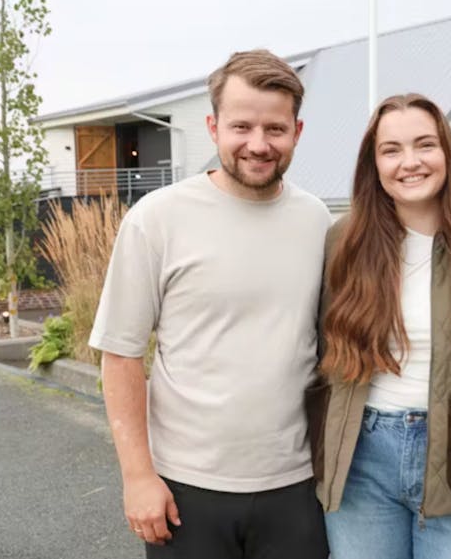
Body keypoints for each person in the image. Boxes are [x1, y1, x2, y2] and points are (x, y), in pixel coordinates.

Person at [91, 49, 331, 559]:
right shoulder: (157, 219)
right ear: (213, 126)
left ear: (297, 132)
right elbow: (120, 354)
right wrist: (138, 476)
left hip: (296, 486)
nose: (258, 144)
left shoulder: (317, 221)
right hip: (186, 488)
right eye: (241, 126)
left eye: (275, 129)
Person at [309, 93, 451, 559]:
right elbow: (319, 357)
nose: (410, 162)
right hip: (361, 463)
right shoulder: (344, 242)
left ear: (447, 153)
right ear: (374, 165)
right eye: (391, 150)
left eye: (424, 145)